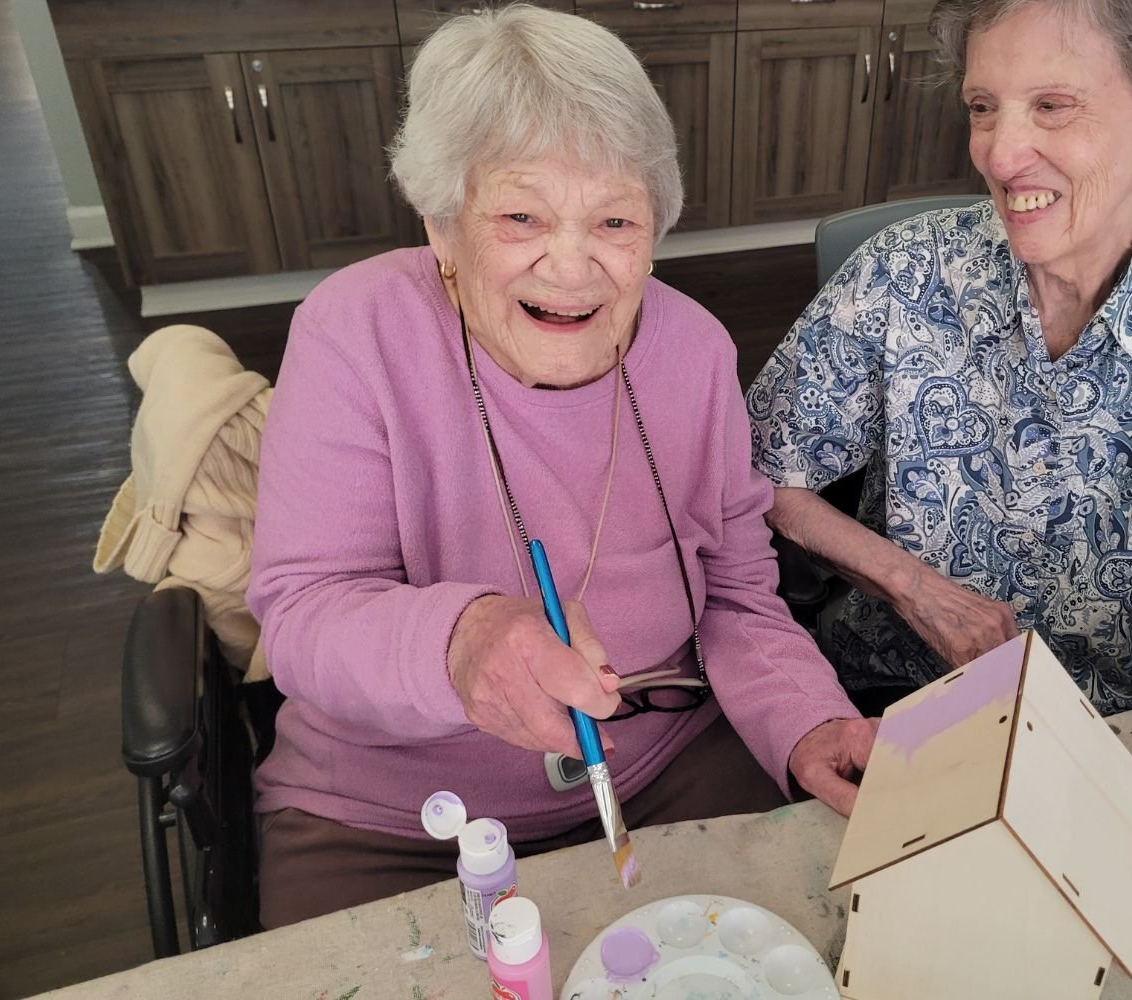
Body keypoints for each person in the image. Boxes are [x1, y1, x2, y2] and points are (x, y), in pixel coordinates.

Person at [248, 4, 874, 929]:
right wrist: (461, 641)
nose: (574, 265)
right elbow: (301, 612)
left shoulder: (694, 351)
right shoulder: (357, 331)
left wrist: (807, 721)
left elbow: (740, 596)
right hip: (396, 819)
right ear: (442, 223)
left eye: (615, 218)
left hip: (661, 770)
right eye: (520, 215)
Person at [747, 0, 1132, 966]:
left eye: (1052, 105)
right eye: (985, 106)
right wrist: (912, 586)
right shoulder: (904, 273)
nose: (1000, 151)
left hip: (1121, 730)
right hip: (891, 704)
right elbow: (761, 477)